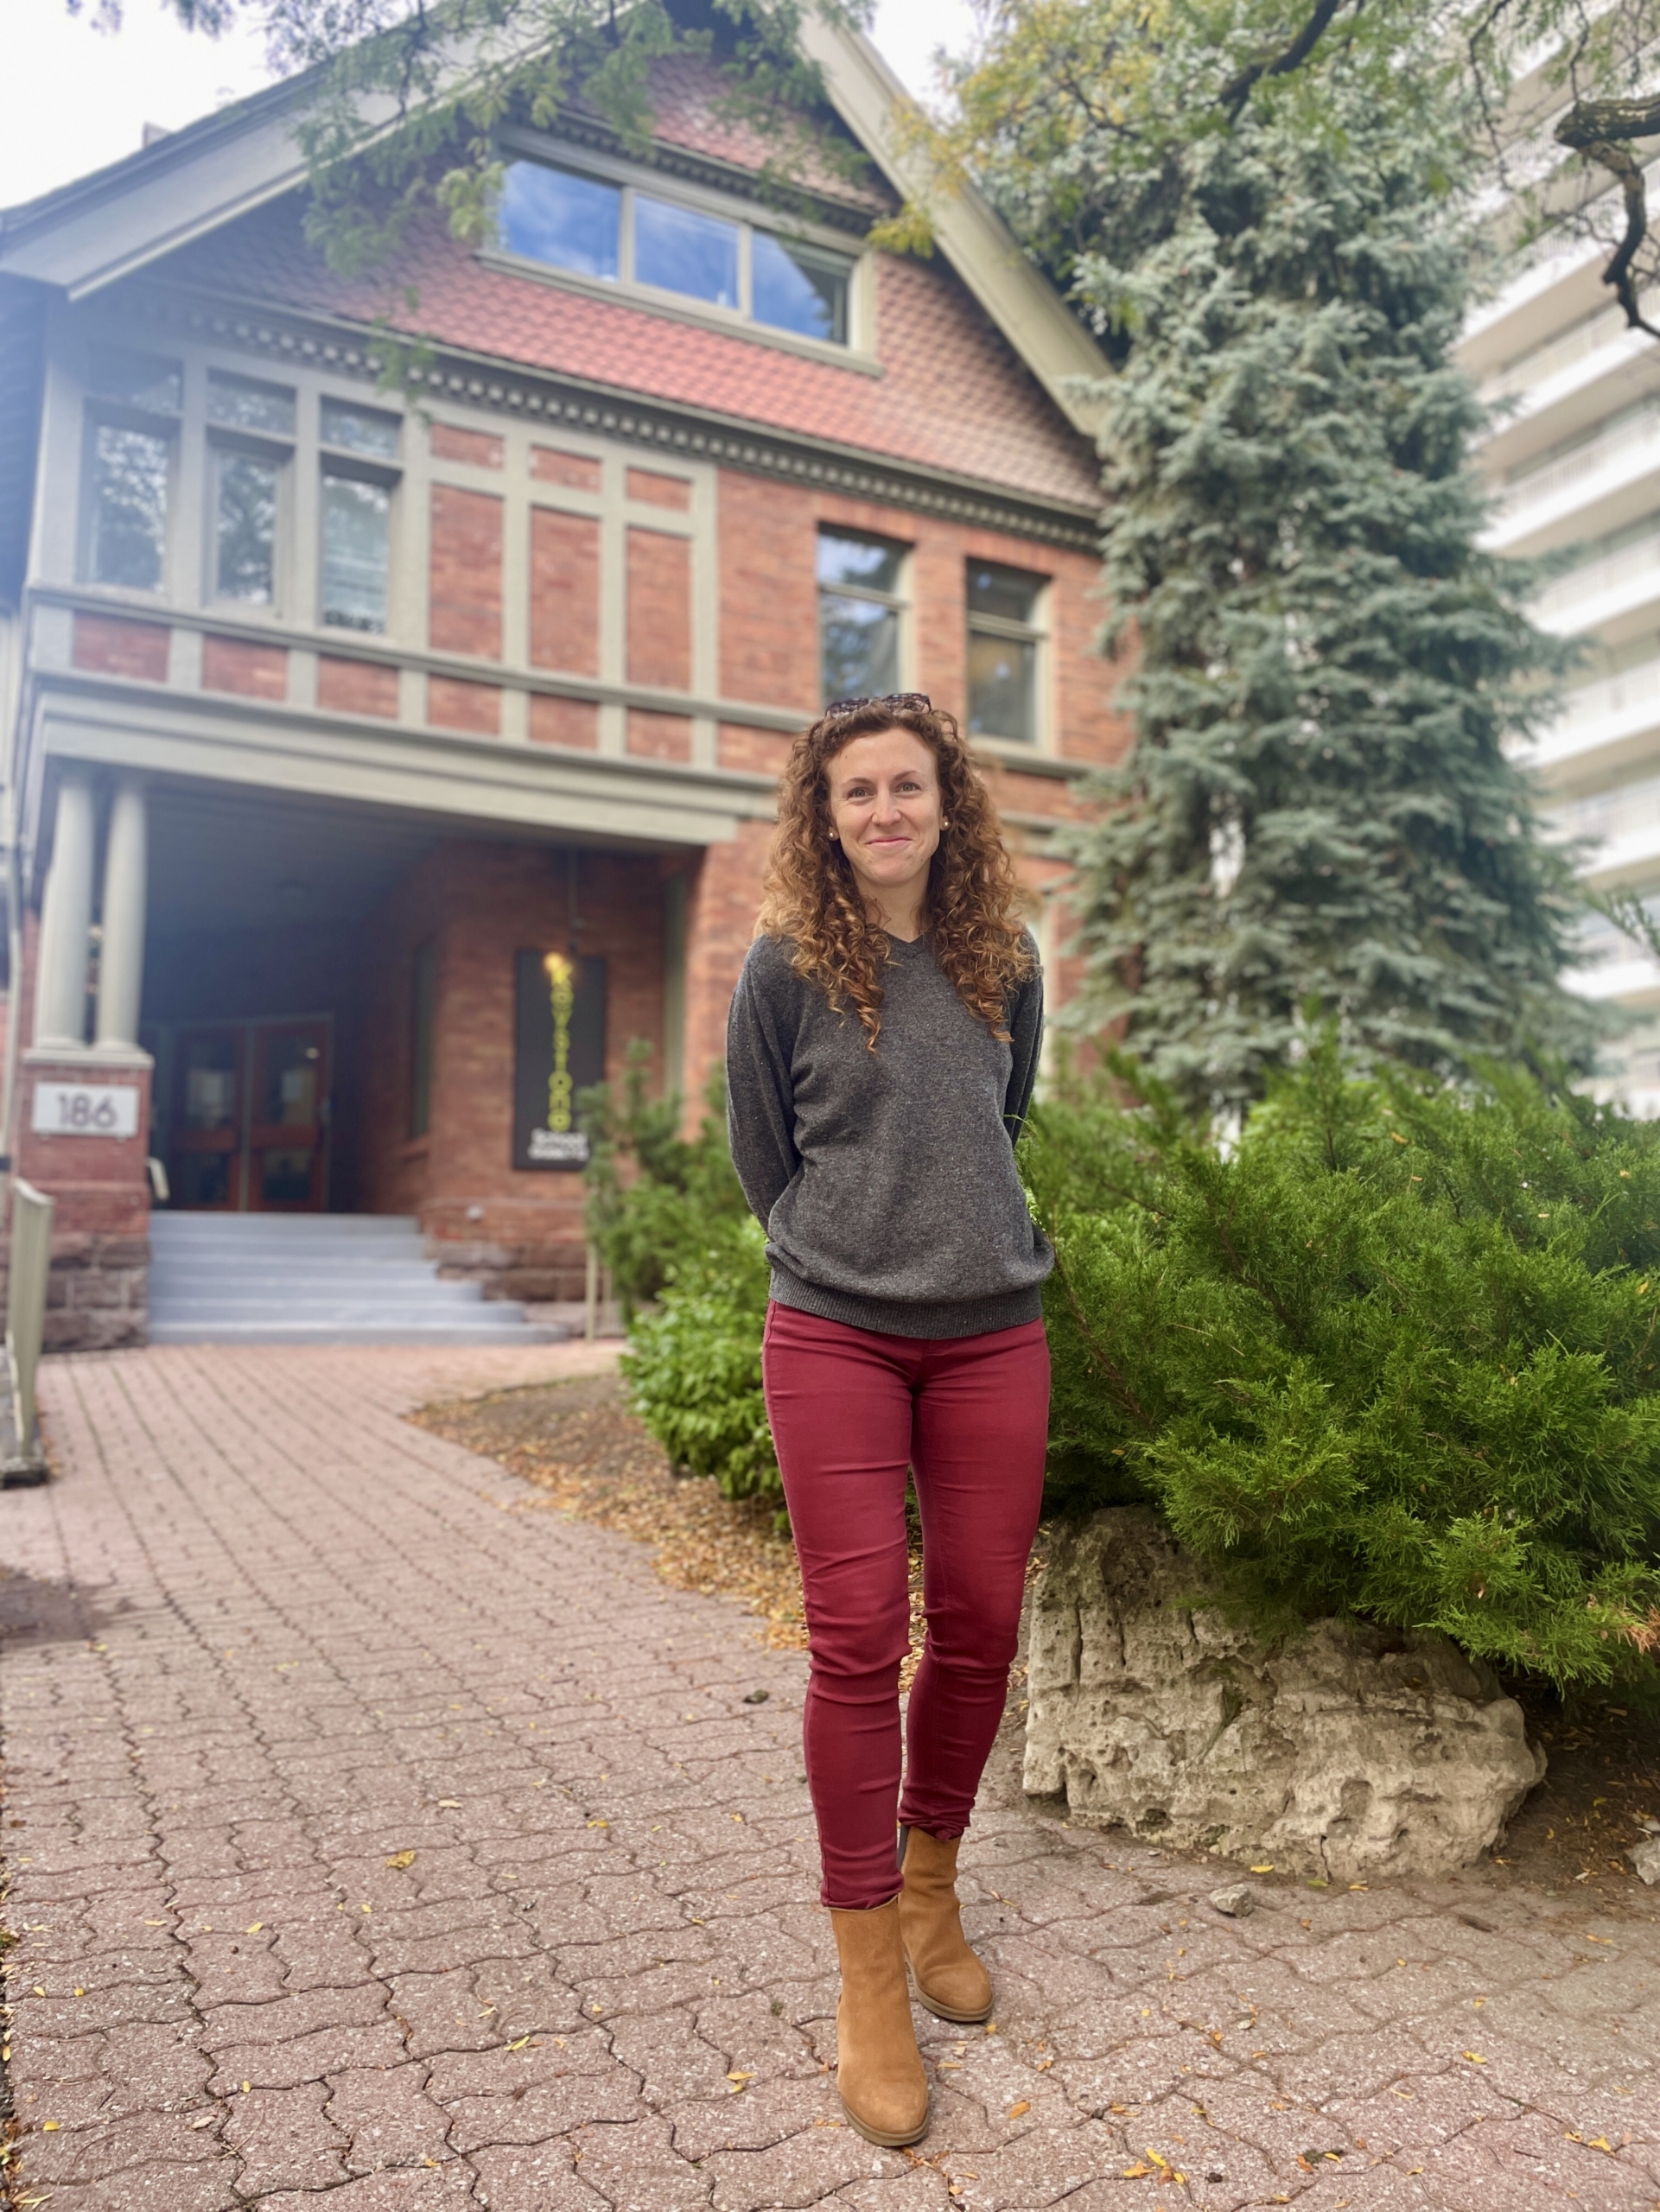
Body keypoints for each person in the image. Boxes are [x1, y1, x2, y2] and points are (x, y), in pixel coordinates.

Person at [725, 692, 1053, 2148]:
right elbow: (761, 1155)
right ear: (825, 814)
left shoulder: (1006, 959)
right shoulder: (783, 968)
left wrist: (949, 1238)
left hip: (992, 1333)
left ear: (946, 801)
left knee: (980, 1621)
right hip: (837, 1332)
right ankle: (866, 1976)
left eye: (905, 787)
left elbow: (1006, 1120)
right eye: (854, 792)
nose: (883, 812)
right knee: (858, 1636)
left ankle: (932, 1893)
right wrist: (847, 1249)